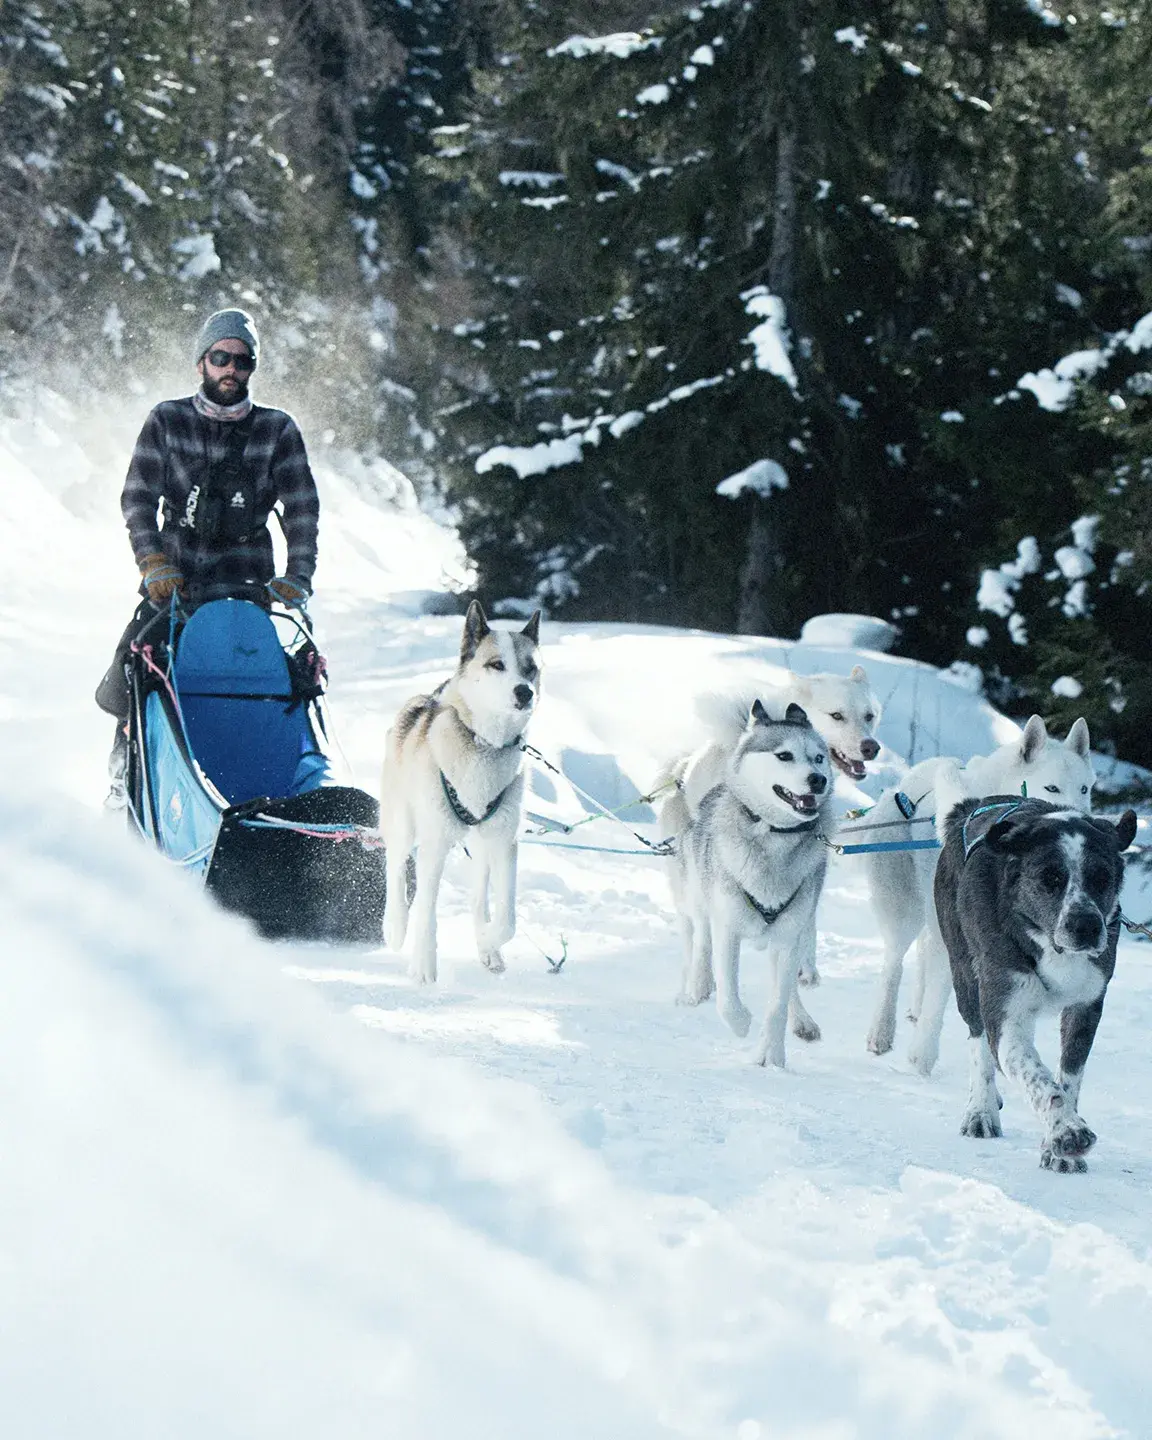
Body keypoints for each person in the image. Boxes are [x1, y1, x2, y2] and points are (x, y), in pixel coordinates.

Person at [97, 307, 320, 807]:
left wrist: (297, 577)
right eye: (221, 357)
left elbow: (302, 509)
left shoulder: (277, 430)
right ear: (202, 361)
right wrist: (152, 562)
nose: (231, 370)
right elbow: (137, 497)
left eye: (243, 362)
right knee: (130, 681)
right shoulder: (167, 420)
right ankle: (123, 782)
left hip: (245, 593)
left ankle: (259, 791)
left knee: (265, 689)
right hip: (174, 586)